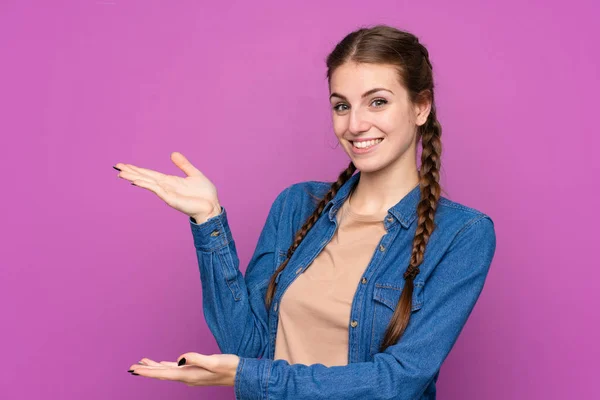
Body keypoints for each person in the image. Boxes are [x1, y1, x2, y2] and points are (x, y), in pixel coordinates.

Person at [117, 24, 497, 399]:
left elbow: (399, 382)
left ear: (421, 107)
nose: (355, 124)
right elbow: (244, 344)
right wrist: (208, 218)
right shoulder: (296, 206)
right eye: (341, 106)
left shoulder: (462, 234)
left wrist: (256, 379)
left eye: (377, 101)